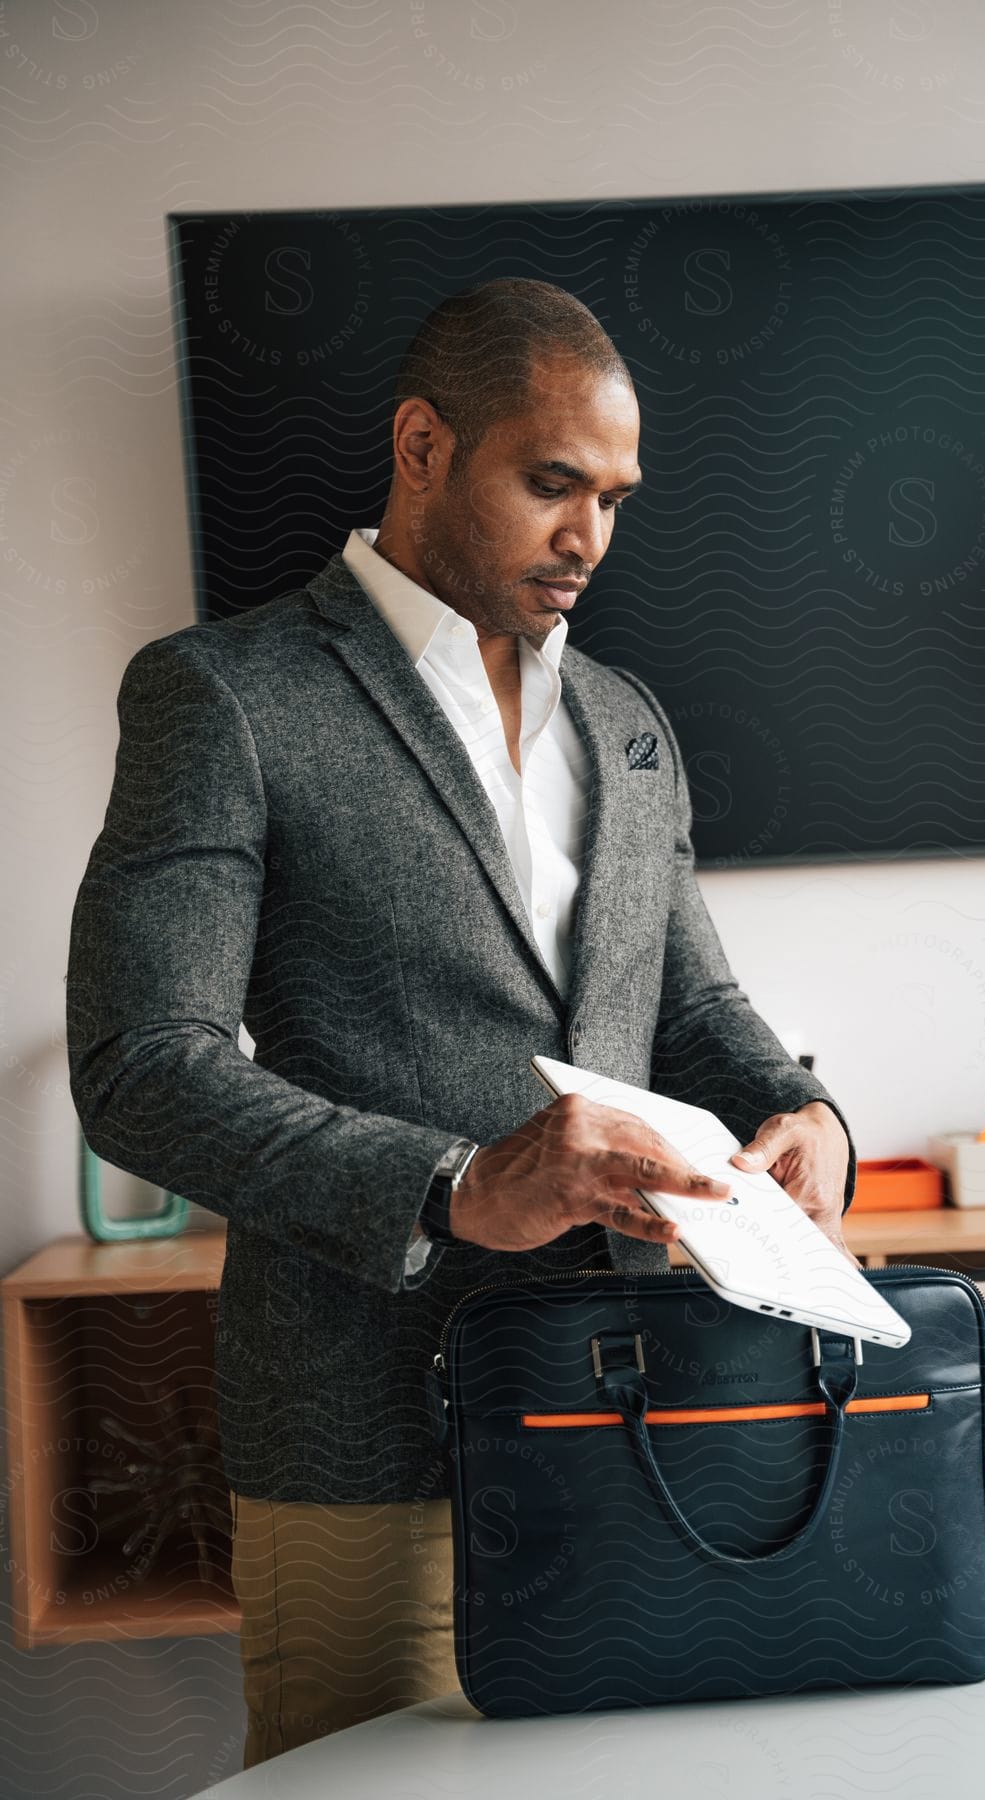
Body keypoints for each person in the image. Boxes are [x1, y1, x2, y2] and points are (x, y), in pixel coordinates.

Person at [66, 277, 858, 1766]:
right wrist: (454, 1186)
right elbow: (138, 1067)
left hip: (634, 1413)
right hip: (364, 1436)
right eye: (550, 484)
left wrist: (807, 1112)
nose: (589, 540)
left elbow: (689, 1005)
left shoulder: (627, 719)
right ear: (423, 445)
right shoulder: (221, 698)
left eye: (613, 499)